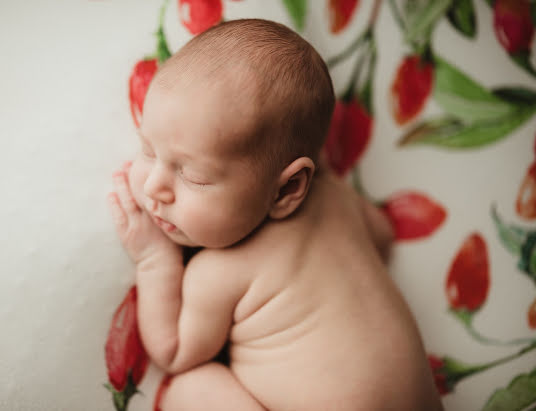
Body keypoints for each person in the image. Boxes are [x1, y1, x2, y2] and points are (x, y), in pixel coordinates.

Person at [108, 18, 443, 411]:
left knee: (190, 388)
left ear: (286, 189)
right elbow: (383, 234)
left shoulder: (217, 273)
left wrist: (154, 260)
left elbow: (175, 351)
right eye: (148, 150)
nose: (153, 188)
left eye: (193, 176)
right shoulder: (339, 198)